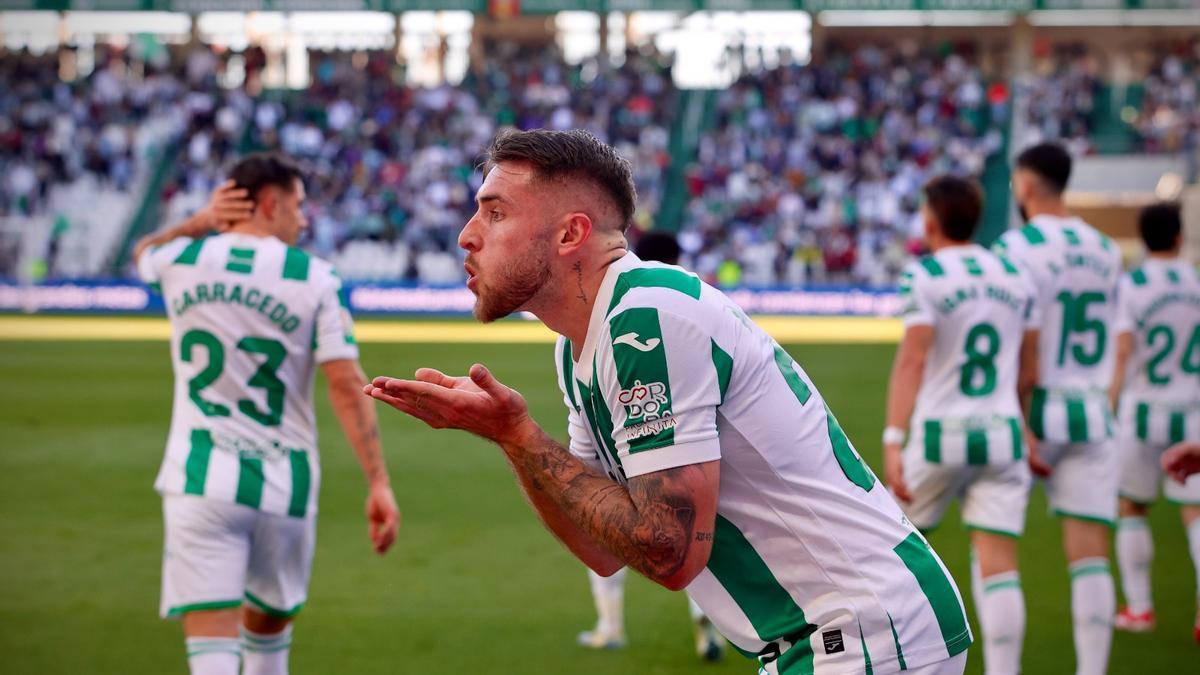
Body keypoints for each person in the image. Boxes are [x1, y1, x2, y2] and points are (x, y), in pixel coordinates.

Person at [367, 129, 972, 674]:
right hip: (836, 634)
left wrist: (523, 436)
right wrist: (510, 436)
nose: (466, 235)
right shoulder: (581, 342)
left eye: (494, 213)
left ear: (571, 233)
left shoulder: (647, 316)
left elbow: (668, 551)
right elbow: (604, 549)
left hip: (865, 632)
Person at [133, 154, 400, 675]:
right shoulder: (316, 277)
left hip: (200, 479)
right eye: (297, 207)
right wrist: (378, 482)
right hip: (285, 482)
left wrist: (197, 222)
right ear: (270, 204)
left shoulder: (182, 260)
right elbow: (345, 384)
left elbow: (142, 255)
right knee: (268, 645)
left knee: (210, 652)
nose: (303, 220)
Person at [885, 176, 1040, 675]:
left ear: (930, 220)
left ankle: (896, 661)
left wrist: (893, 439)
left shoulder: (925, 275)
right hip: (1003, 433)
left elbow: (913, 360)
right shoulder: (1015, 274)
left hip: (939, 436)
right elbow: (1029, 367)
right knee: (999, 564)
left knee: (891, 554)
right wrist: (1027, 427)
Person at [992, 142, 1123, 675]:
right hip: (1090, 410)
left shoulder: (1014, 248)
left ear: (1025, 185)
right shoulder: (1108, 249)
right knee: (1090, 553)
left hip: (1033, 409)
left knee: (997, 548)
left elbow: (1016, 345)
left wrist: (1017, 415)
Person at [576, 228, 724, 662]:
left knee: (601, 524)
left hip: (623, 446)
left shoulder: (629, 310)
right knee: (690, 535)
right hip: (695, 446)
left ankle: (610, 624)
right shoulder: (698, 301)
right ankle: (702, 612)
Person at [1108, 202, 1200, 643]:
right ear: (1179, 238)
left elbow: (1123, 351)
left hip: (1142, 409)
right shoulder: (1196, 281)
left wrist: (1108, 406)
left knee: (1132, 506)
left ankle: (1140, 608)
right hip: (1192, 411)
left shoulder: (1133, 284)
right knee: (1196, 512)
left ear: (1143, 239)